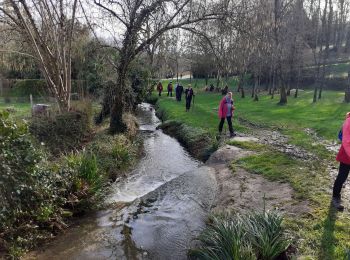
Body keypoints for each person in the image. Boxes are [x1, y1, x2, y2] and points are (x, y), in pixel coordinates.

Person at [332, 112, 350, 211]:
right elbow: (346, 140)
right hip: (347, 155)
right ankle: (335, 197)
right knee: (342, 176)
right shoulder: (349, 121)